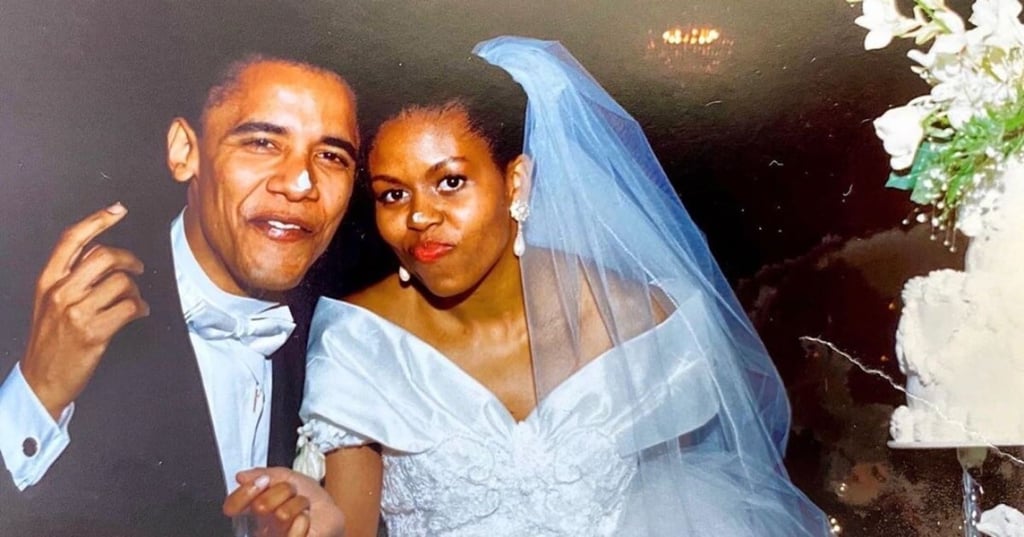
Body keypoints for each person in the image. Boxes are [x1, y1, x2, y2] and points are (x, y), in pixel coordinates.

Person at [293, 36, 831, 536]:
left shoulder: (640, 321)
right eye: (392, 195)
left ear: (516, 182)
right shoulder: (359, 343)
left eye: (450, 182)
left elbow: (692, 494)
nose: (419, 218)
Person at [0, 55, 354, 536]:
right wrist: (38, 391)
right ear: (186, 151)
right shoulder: (52, 298)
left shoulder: (342, 339)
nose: (300, 183)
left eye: (332, 156)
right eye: (263, 142)